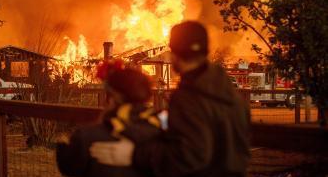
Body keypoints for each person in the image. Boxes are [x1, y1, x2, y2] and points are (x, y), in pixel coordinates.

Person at [90, 21, 250, 177]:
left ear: (174, 53)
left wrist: (134, 154)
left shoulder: (189, 98)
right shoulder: (231, 95)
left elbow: (189, 156)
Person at [56, 64, 161, 177]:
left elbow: (69, 168)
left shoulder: (86, 136)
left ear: (111, 99)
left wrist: (62, 144)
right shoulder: (163, 137)